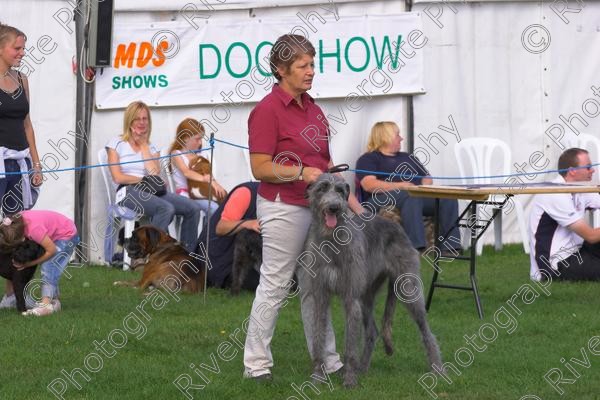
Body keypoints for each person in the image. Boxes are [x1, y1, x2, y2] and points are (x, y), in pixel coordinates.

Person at [243, 34, 363, 381]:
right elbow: (260, 168)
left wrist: (354, 207)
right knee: (276, 284)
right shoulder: (266, 111)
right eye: (303, 65)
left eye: (312, 64)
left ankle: (327, 360)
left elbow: (325, 165)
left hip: (320, 211)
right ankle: (256, 365)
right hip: (283, 207)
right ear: (281, 70)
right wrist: (299, 171)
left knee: (317, 287)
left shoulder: (314, 109)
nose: (311, 71)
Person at [106, 101, 200, 252]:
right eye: (137, 119)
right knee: (166, 208)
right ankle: (148, 256)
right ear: (129, 121)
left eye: (145, 119)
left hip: (150, 190)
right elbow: (118, 177)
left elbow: (154, 174)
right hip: (127, 191)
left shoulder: (151, 147)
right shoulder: (116, 143)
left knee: (193, 208)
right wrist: (142, 180)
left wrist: (144, 146)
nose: (142, 122)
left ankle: (186, 256)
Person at [355, 121, 461, 252]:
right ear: (385, 137)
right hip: (381, 199)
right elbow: (369, 185)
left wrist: (421, 185)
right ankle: (416, 247)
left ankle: (451, 247)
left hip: (414, 195)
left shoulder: (408, 157)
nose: (401, 138)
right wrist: (401, 186)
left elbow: (427, 178)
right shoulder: (368, 159)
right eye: (397, 135)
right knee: (410, 197)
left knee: (447, 198)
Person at [0, 22, 43, 309]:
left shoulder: (22, 79)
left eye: (23, 47)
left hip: (19, 163)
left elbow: (27, 125)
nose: (22, 52)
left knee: (16, 229)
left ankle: (12, 292)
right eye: (17, 47)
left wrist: (36, 163)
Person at [529, 147, 600, 281]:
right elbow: (590, 236)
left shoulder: (581, 188)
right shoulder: (554, 194)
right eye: (588, 167)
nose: (593, 170)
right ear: (572, 171)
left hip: (578, 251)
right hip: (555, 265)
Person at [0, 210, 78, 316]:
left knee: (49, 266)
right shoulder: (17, 221)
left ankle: (46, 305)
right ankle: (11, 297)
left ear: (19, 234)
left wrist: (29, 264)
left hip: (67, 235)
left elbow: (51, 250)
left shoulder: (34, 230)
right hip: (54, 231)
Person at [197, 181, 260, 290]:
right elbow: (220, 228)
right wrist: (248, 223)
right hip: (215, 257)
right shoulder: (245, 192)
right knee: (257, 284)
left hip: (245, 256)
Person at [168, 117, 226, 216]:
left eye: (201, 138)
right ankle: (208, 231)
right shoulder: (176, 154)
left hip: (203, 193)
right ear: (186, 138)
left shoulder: (201, 155)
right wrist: (206, 179)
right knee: (213, 207)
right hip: (186, 195)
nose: (200, 142)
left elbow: (208, 174)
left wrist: (217, 185)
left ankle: (211, 230)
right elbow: (186, 172)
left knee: (225, 205)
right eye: (197, 139)